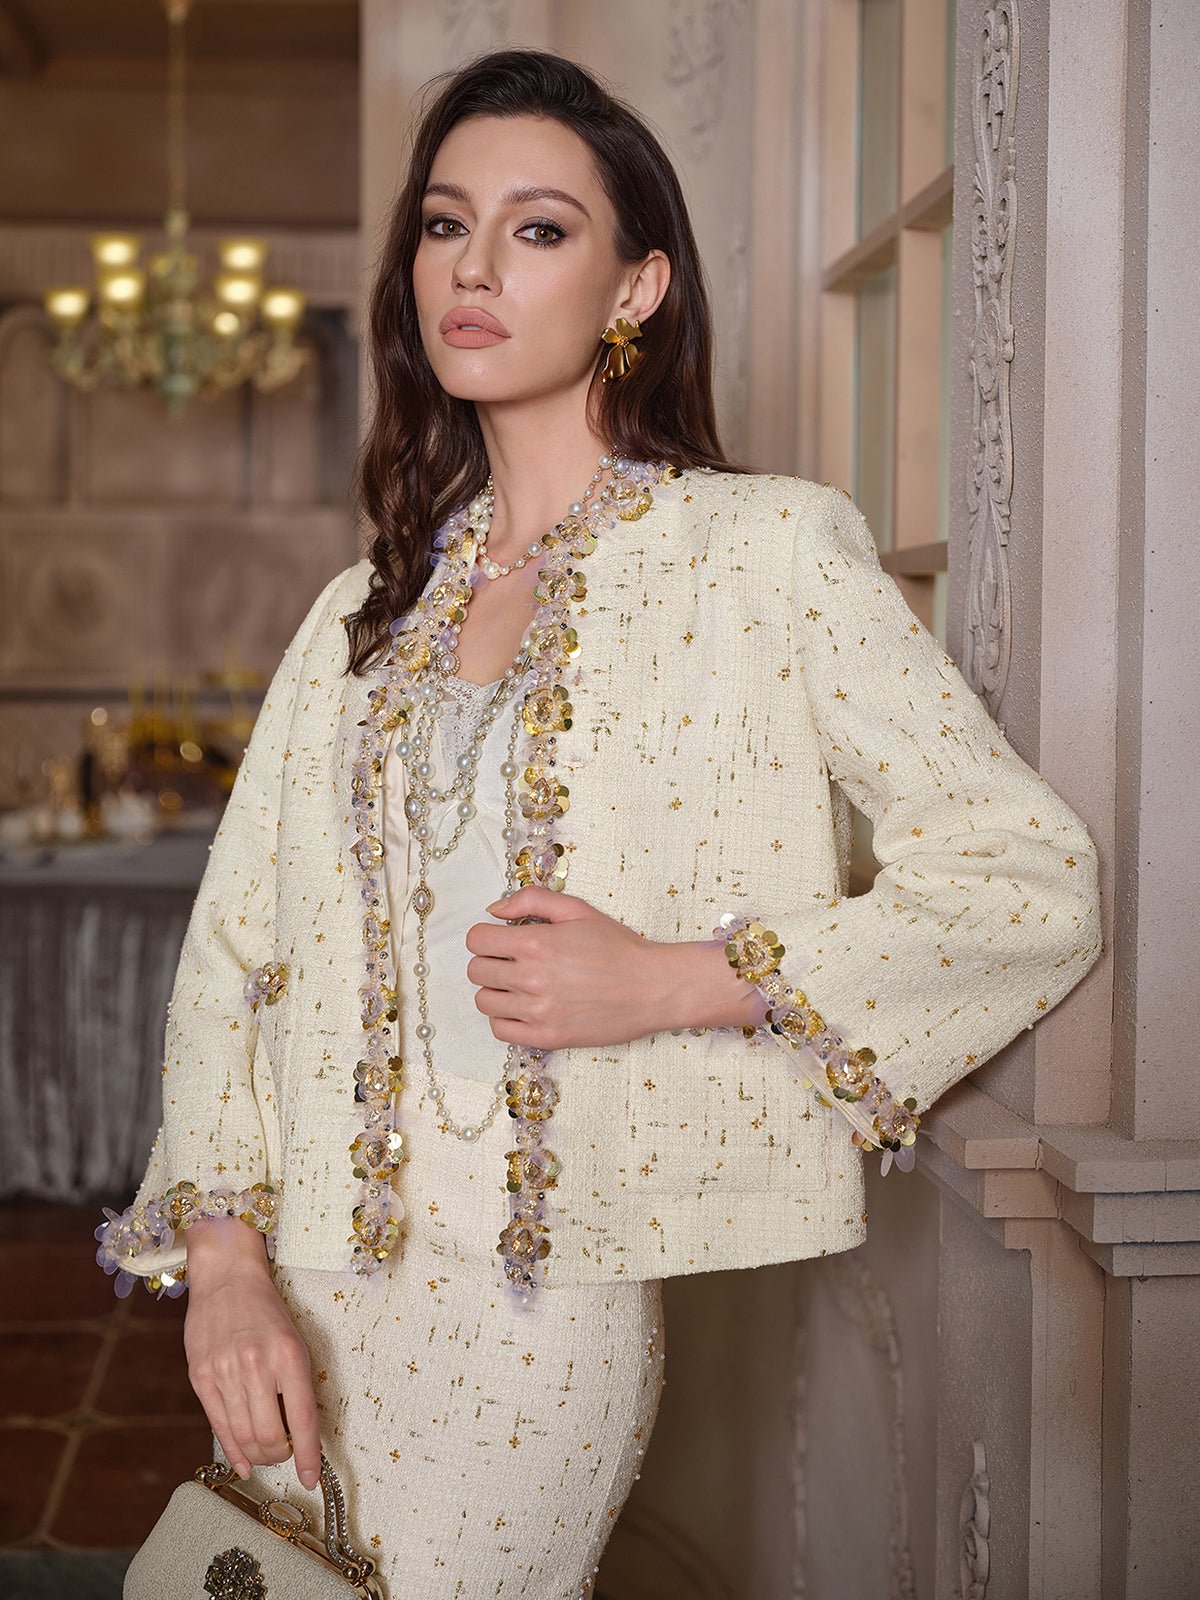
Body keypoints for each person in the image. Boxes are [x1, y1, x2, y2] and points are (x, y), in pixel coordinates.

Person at [94, 46, 1103, 1599]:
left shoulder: (762, 553)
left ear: (637, 287)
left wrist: (677, 978)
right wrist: (223, 1264)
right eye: (446, 224)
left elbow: (1024, 881)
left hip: (534, 1316)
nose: (474, 267)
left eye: (540, 229)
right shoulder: (365, 612)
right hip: (300, 1292)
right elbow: (233, 948)